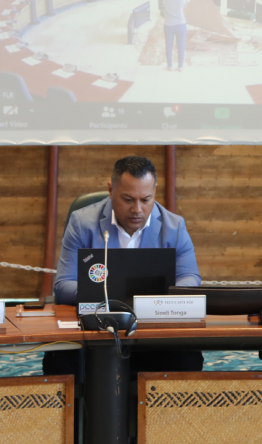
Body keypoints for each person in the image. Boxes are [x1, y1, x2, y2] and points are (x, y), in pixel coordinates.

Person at [48, 155, 202, 375]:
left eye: (146, 199)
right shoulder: (82, 223)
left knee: (188, 359)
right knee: (59, 361)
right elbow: (63, 285)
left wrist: (159, 300)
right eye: (128, 199)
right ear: (111, 190)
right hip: (97, 328)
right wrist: (113, 297)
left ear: (155, 191)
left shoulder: (174, 227)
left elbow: (190, 279)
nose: (137, 209)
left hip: (152, 330)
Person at [162, 0, 189, 71]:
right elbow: (184, 6)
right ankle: (180, 66)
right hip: (181, 24)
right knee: (181, 45)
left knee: (169, 45)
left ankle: (170, 66)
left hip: (168, 24)